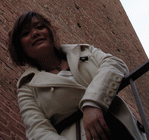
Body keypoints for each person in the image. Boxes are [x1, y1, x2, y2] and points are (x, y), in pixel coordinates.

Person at [8, 11, 146, 140]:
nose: (34, 33)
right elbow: (37, 130)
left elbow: (114, 64)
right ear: (20, 47)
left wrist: (93, 103)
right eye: (25, 33)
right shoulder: (27, 86)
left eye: (39, 27)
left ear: (50, 31)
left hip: (124, 130)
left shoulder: (84, 51)